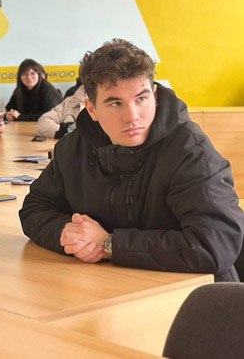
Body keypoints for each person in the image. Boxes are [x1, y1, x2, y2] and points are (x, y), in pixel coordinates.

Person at [19, 39, 244, 281]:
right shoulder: (73, 148)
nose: (132, 116)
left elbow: (214, 244)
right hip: (108, 286)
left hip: (195, 295)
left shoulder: (190, 150)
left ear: (154, 96)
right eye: (116, 103)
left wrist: (110, 245)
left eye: (141, 99)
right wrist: (72, 235)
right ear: (92, 109)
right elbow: (34, 209)